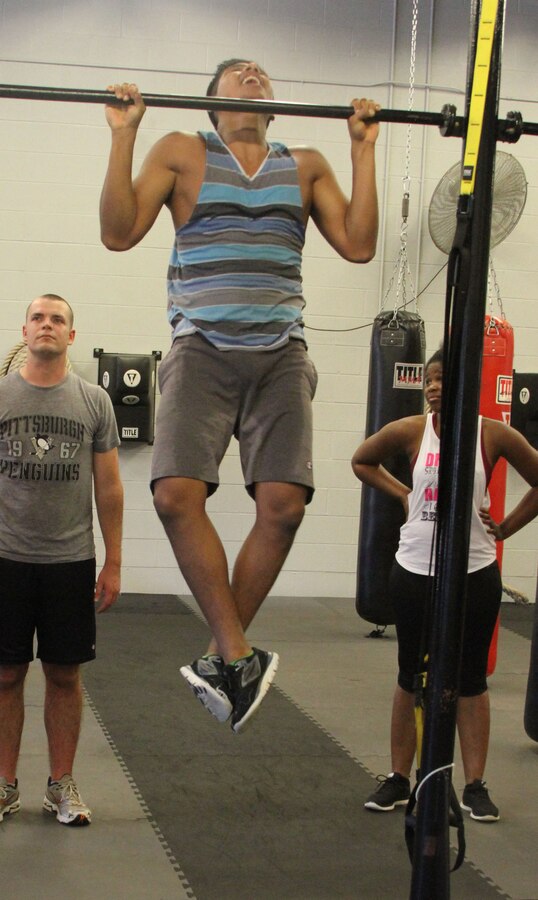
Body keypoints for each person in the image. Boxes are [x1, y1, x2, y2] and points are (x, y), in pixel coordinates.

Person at [99, 59, 380, 733]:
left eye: (261, 72)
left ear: (275, 103)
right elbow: (117, 232)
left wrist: (363, 150)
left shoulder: (305, 164)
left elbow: (361, 244)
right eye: (238, 72)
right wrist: (122, 134)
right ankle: (235, 652)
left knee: (283, 507)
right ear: (214, 102)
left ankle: (225, 656)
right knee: (173, 495)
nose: (253, 74)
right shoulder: (183, 152)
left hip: (282, 351)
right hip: (202, 347)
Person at [351, 347, 538, 822]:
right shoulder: (411, 431)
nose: (433, 387)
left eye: (442, 380)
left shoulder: (492, 434)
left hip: (473, 571)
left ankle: (475, 785)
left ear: (464, 384)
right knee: (409, 676)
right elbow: (362, 461)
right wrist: (404, 495)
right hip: (414, 570)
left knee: (471, 680)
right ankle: (399, 778)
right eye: (429, 381)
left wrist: (506, 527)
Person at [0, 294, 123, 827]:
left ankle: (60, 785)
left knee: (64, 675)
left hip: (71, 560)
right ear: (25, 331)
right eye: (38, 318)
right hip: (6, 558)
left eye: (58, 320)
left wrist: (113, 561)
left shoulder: (94, 402)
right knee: (6, 675)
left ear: (71, 336)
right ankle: (4, 785)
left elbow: (111, 489)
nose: (47, 325)